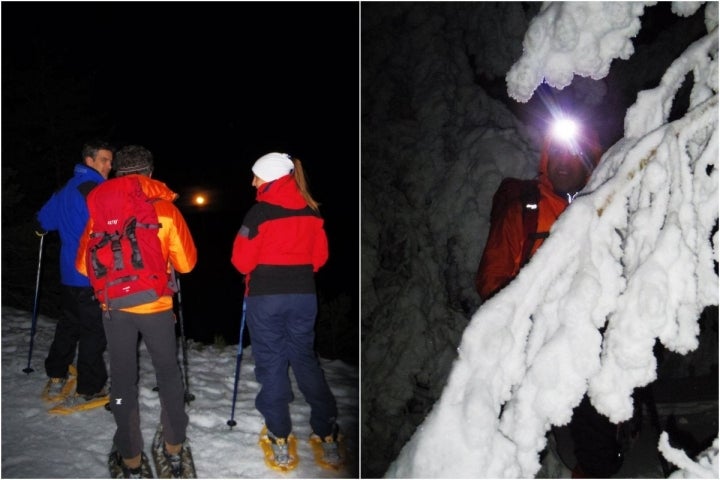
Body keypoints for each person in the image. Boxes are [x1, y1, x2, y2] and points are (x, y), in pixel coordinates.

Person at [474, 118, 622, 478]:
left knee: (595, 425)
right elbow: (492, 279)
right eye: (556, 153)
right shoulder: (524, 211)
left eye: (572, 154)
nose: (562, 162)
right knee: (524, 431)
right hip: (533, 343)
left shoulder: (606, 209)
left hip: (586, 338)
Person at [76, 145, 197, 478]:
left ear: (119, 174)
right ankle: (173, 445)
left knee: (122, 379)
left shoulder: (100, 209)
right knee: (168, 372)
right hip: (156, 304)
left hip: (114, 307)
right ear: (150, 172)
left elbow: (84, 267)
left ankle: (129, 454)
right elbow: (187, 264)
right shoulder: (166, 211)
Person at [230, 152, 342, 469]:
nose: (253, 181)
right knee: (304, 358)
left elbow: (241, 261)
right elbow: (319, 258)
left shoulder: (259, 213)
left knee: (272, 362)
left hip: (266, 297)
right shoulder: (312, 212)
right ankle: (327, 431)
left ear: (273, 178)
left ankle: (280, 435)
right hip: (304, 296)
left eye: (257, 176)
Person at [35, 140, 114, 407]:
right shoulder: (98, 190)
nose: (109, 166)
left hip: (68, 273)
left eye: (110, 161)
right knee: (93, 329)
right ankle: (89, 387)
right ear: (89, 161)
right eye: (104, 160)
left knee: (69, 323)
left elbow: (43, 222)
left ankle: (56, 371)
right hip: (91, 274)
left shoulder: (67, 187)